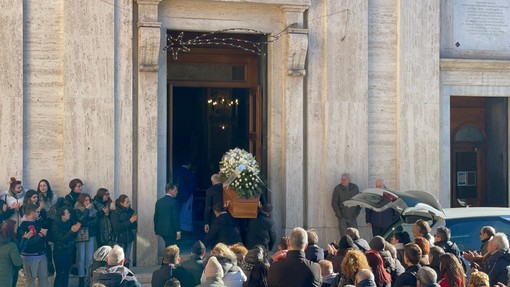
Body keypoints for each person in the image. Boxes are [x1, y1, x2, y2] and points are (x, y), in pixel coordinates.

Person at [17, 203, 49, 287]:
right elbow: (26, 243)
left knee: (44, 278)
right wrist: (40, 235)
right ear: (32, 212)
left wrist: (44, 233)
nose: (39, 213)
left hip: (42, 255)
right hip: (30, 257)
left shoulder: (38, 222)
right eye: (38, 212)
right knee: (31, 279)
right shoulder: (23, 225)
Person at [52, 206, 81, 287]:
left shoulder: (69, 222)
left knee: (66, 274)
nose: (69, 214)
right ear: (62, 215)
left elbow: (72, 237)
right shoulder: (55, 225)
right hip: (60, 252)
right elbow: (62, 239)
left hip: (69, 251)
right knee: (60, 274)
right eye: (67, 213)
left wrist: (75, 230)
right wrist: (72, 231)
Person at [74, 193, 99, 287]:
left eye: (89, 200)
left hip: (91, 234)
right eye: (85, 200)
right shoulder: (77, 209)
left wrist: (86, 222)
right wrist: (87, 210)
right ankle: (81, 278)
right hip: (81, 235)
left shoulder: (93, 209)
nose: (88, 202)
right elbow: (81, 219)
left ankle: (89, 278)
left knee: (89, 258)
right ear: (81, 201)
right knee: (81, 257)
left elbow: (95, 222)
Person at [331, 173, 361, 238]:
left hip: (353, 217)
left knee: (355, 237)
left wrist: (356, 213)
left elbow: (359, 201)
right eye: (341, 179)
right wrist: (340, 216)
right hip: (343, 218)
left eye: (344, 179)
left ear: (349, 180)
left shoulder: (355, 188)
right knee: (344, 237)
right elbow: (334, 203)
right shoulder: (337, 188)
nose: (342, 181)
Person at [111, 194, 137, 267]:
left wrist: (134, 222)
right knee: (120, 258)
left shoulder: (131, 211)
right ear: (121, 203)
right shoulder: (116, 212)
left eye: (129, 202)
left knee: (127, 258)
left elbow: (134, 226)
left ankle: (127, 271)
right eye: (127, 202)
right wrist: (130, 221)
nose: (129, 203)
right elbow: (117, 226)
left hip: (129, 237)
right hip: (120, 238)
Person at [154, 183, 181, 247]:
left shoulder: (159, 202)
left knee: (168, 246)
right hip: (171, 230)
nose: (177, 192)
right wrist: (178, 231)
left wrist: (156, 230)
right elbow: (175, 218)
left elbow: (156, 217)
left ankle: (166, 257)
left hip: (161, 230)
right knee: (170, 248)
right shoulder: (174, 202)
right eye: (175, 190)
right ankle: (166, 257)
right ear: (170, 190)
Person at [0, 219, 25, 287]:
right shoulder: (11, 245)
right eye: (15, 227)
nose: (16, 229)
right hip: (6, 276)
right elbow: (18, 262)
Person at [174, 161, 197, 232]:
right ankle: (185, 228)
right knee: (186, 212)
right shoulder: (189, 173)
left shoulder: (176, 171)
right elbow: (192, 185)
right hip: (187, 195)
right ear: (189, 164)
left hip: (177, 195)